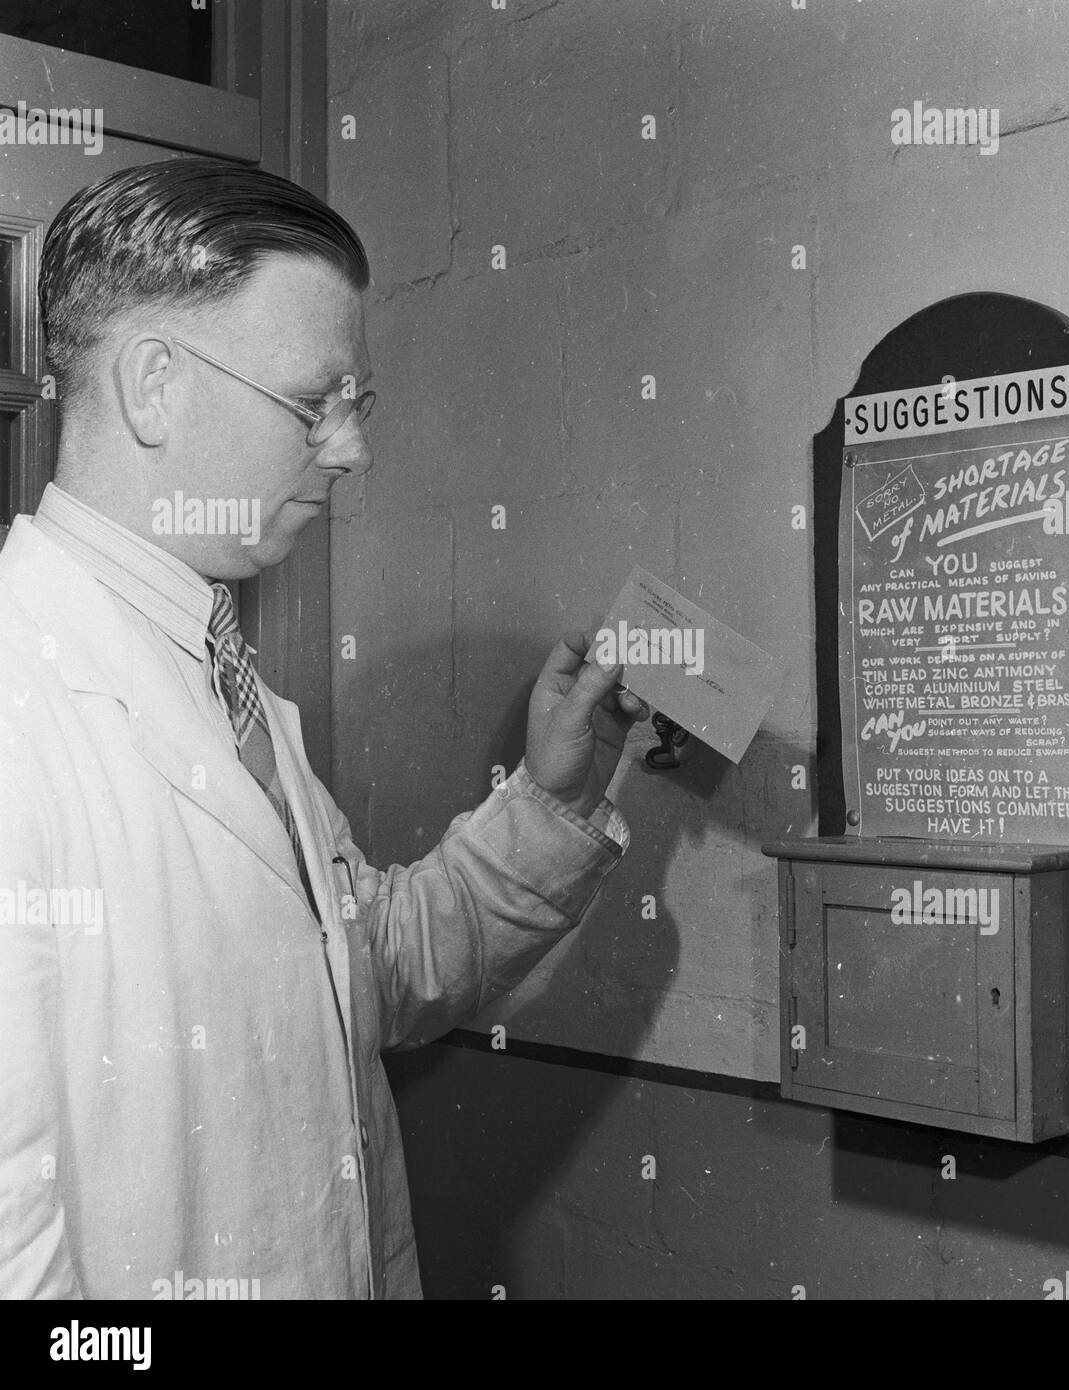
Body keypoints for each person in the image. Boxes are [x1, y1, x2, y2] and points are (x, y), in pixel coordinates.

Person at [0, 158, 647, 1299]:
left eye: (359, 408)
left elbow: (368, 968)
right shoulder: (25, 708)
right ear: (155, 384)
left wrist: (545, 799)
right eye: (316, 403)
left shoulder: (217, 674)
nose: (349, 451)